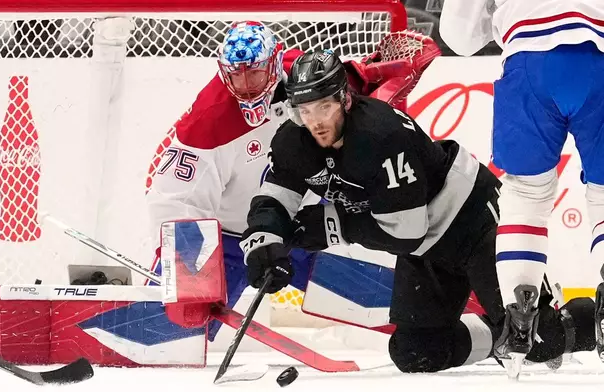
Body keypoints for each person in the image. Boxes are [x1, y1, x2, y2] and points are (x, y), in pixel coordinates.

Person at [240, 50, 596, 374]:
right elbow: (275, 196)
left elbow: (405, 230)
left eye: (324, 108)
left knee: (538, 341)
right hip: (427, 249)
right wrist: (265, 241)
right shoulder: (292, 141)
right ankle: (495, 334)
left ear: (344, 100)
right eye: (305, 111)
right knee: (415, 351)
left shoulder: (382, 135)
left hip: (473, 223)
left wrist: (331, 225)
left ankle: (593, 318)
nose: (315, 121)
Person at [145, 21, 436, 340]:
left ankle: (464, 318)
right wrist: (190, 278)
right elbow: (175, 201)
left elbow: (353, 91)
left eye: (254, 73)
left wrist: (386, 73)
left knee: (398, 305)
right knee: (165, 336)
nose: (246, 86)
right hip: (228, 240)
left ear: (274, 62)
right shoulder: (207, 122)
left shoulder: (301, 76)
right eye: (235, 76)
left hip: (302, 223)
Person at [438, 0, 604, 371]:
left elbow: (459, 35)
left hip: (529, 61)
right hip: (600, 55)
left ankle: (520, 313)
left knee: (526, 195)